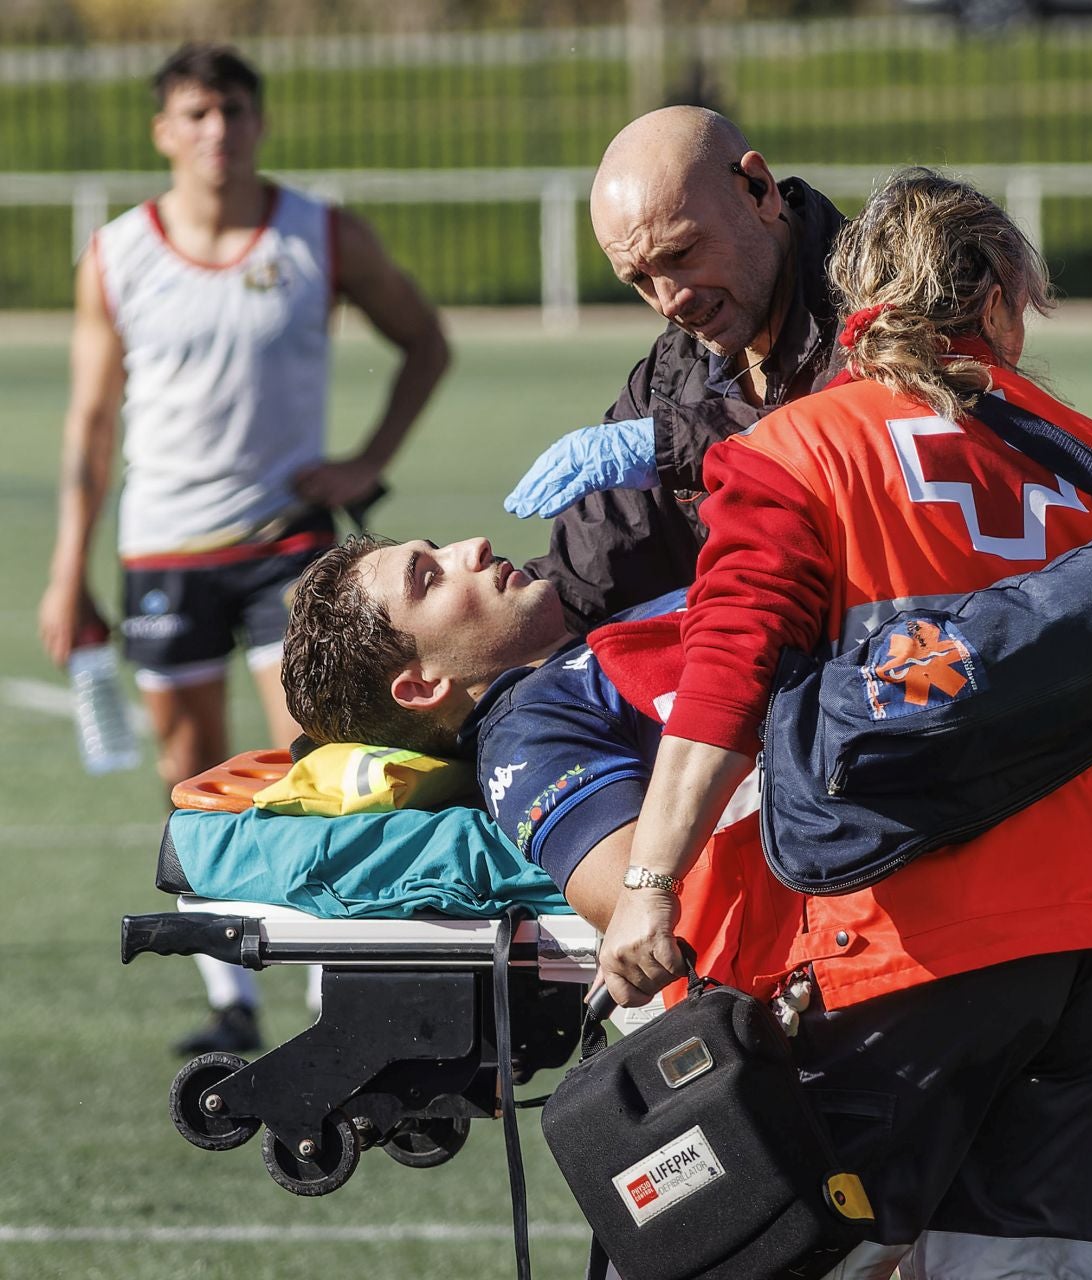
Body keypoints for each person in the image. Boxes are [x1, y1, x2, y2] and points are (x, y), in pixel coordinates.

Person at [588, 169, 1092, 1278]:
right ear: (996, 299)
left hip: (927, 932)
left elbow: (726, 671)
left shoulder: (799, 450)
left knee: (790, 1256)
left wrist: (650, 880)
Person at [36, 42, 449, 1056]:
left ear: (259, 123)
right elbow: (91, 422)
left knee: (317, 758)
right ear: (162, 132)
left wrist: (366, 462)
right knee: (195, 768)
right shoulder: (119, 254)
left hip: (288, 547)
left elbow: (425, 342)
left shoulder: (320, 234)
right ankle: (231, 1000)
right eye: (194, 113)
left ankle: (332, 994)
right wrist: (67, 569)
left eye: (232, 111)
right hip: (163, 551)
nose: (216, 131)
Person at [517, 106, 848, 631]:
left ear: (759, 189)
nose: (671, 301)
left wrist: (680, 445)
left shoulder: (890, 297)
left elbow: (871, 443)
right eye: (641, 280)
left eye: (682, 252)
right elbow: (586, 584)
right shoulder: (669, 379)